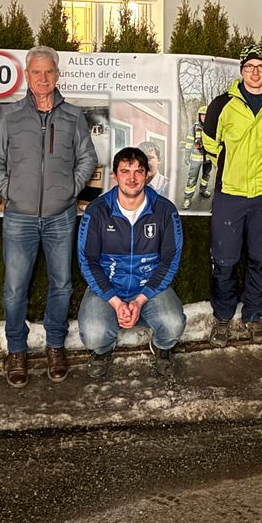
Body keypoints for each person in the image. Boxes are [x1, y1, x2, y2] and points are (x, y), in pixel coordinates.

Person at [0, 46, 98, 387]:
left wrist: (69, 190)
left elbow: (87, 159)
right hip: (19, 217)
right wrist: (10, 190)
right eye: (36, 73)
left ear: (57, 75)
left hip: (61, 216)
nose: (43, 78)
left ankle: (55, 345)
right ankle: (16, 349)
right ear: (27, 76)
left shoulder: (73, 116)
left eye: (49, 72)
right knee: (15, 288)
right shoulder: (11, 116)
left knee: (61, 284)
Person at [203, 45, 262, 345]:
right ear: (241, 70)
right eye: (249, 66)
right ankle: (223, 317)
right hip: (231, 195)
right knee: (224, 261)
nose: (255, 72)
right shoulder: (222, 104)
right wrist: (230, 166)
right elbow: (210, 143)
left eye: (261, 67)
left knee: (260, 259)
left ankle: (253, 315)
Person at [77, 147, 186, 380]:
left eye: (139, 171)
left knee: (173, 324)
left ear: (147, 174)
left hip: (149, 287)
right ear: (115, 176)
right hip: (109, 286)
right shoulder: (97, 211)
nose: (132, 178)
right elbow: (88, 260)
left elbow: (169, 261)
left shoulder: (165, 211)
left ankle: (162, 347)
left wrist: (139, 300)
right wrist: (116, 303)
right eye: (125, 171)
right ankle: (104, 350)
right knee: (94, 334)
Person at [181, 104, 214, 210]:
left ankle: (203, 190)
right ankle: (187, 198)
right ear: (199, 116)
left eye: (206, 115)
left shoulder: (212, 127)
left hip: (208, 158)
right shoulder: (194, 128)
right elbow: (189, 142)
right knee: (192, 178)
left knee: (206, 176)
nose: (204, 117)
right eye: (202, 115)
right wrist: (186, 156)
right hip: (196, 158)